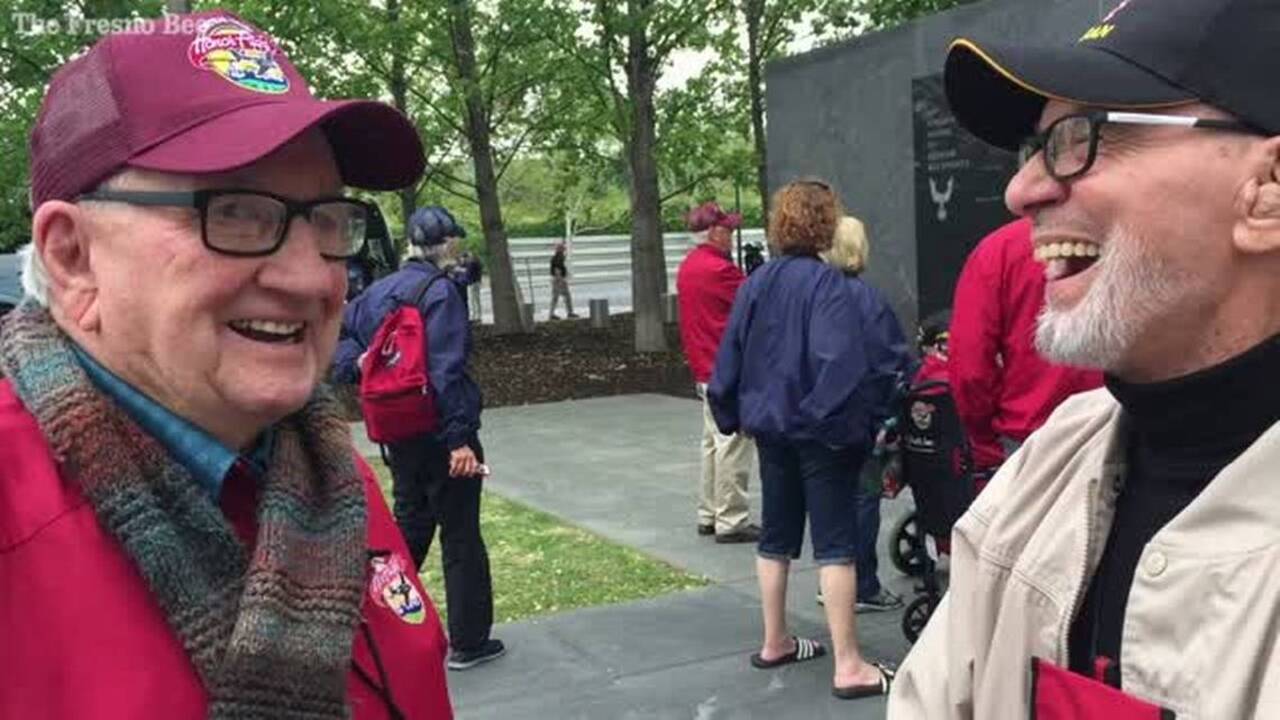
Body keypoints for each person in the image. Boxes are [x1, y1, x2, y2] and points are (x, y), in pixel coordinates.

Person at [0, 11, 453, 718]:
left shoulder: (326, 475)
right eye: (236, 213)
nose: (311, 277)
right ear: (73, 257)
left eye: (327, 219)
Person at [890, 1, 1280, 716]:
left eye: (1081, 137)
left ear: (1269, 191)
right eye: (1035, 147)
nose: (1021, 190)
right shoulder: (1048, 465)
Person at [710, 181, 896, 700]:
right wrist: (824, 420)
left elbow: (731, 352)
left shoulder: (757, 282)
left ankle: (775, 641)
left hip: (772, 429)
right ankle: (849, 665)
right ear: (826, 223)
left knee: (776, 537)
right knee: (835, 546)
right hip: (819, 433)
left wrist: (731, 413)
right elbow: (839, 363)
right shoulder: (828, 285)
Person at [333, 205, 504, 671]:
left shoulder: (378, 291)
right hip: (442, 432)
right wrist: (459, 440)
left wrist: (363, 366)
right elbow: (446, 372)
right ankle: (470, 640)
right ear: (445, 243)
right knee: (461, 533)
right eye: (455, 240)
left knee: (409, 526)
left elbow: (342, 346)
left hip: (399, 433)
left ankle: (374, 623)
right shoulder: (441, 293)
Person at [949, 218, 1103, 469]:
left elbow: (970, 364)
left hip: (1029, 434)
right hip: (1116, 428)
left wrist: (984, 438)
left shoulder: (999, 249)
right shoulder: (1127, 233)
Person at [819, 215, 911, 612]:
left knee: (832, 503)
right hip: (861, 419)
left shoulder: (816, 296)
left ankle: (833, 581)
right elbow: (889, 361)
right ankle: (862, 585)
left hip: (820, 420)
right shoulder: (867, 299)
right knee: (863, 499)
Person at [677, 201, 759, 543]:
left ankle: (709, 513)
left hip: (704, 366)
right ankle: (731, 518)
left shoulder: (689, 266)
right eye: (727, 229)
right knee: (733, 444)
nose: (732, 234)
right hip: (726, 368)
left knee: (713, 442)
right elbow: (754, 304)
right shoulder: (720, 270)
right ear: (713, 232)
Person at [548, 240, 577, 319]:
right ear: (560, 250)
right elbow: (557, 270)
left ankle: (567, 312)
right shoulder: (558, 258)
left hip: (557, 279)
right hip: (558, 280)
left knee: (563, 297)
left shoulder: (557, 257)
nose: (564, 250)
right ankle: (567, 313)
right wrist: (561, 280)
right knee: (560, 297)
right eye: (563, 248)